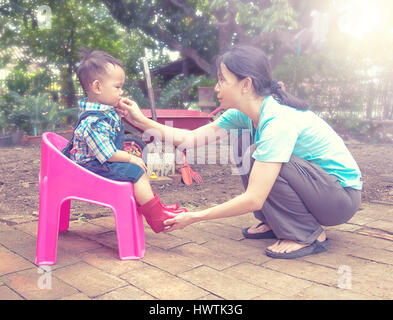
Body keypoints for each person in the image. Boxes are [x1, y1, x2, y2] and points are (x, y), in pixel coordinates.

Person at [116, 45, 362, 259]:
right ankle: (275, 221)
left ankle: (307, 234)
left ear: (246, 85)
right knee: (246, 144)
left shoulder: (278, 121)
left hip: (339, 199)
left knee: (263, 154)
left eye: (222, 79)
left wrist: (194, 217)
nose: (216, 87)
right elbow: (189, 139)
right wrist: (140, 119)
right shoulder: (244, 114)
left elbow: (255, 197)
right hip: (318, 189)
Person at [63, 48, 186, 233]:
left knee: (137, 169)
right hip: (91, 168)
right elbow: (108, 153)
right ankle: (156, 216)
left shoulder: (105, 112)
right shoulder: (94, 121)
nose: (122, 91)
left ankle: (156, 208)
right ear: (97, 87)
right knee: (135, 170)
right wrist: (130, 158)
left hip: (98, 163)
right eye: (117, 87)